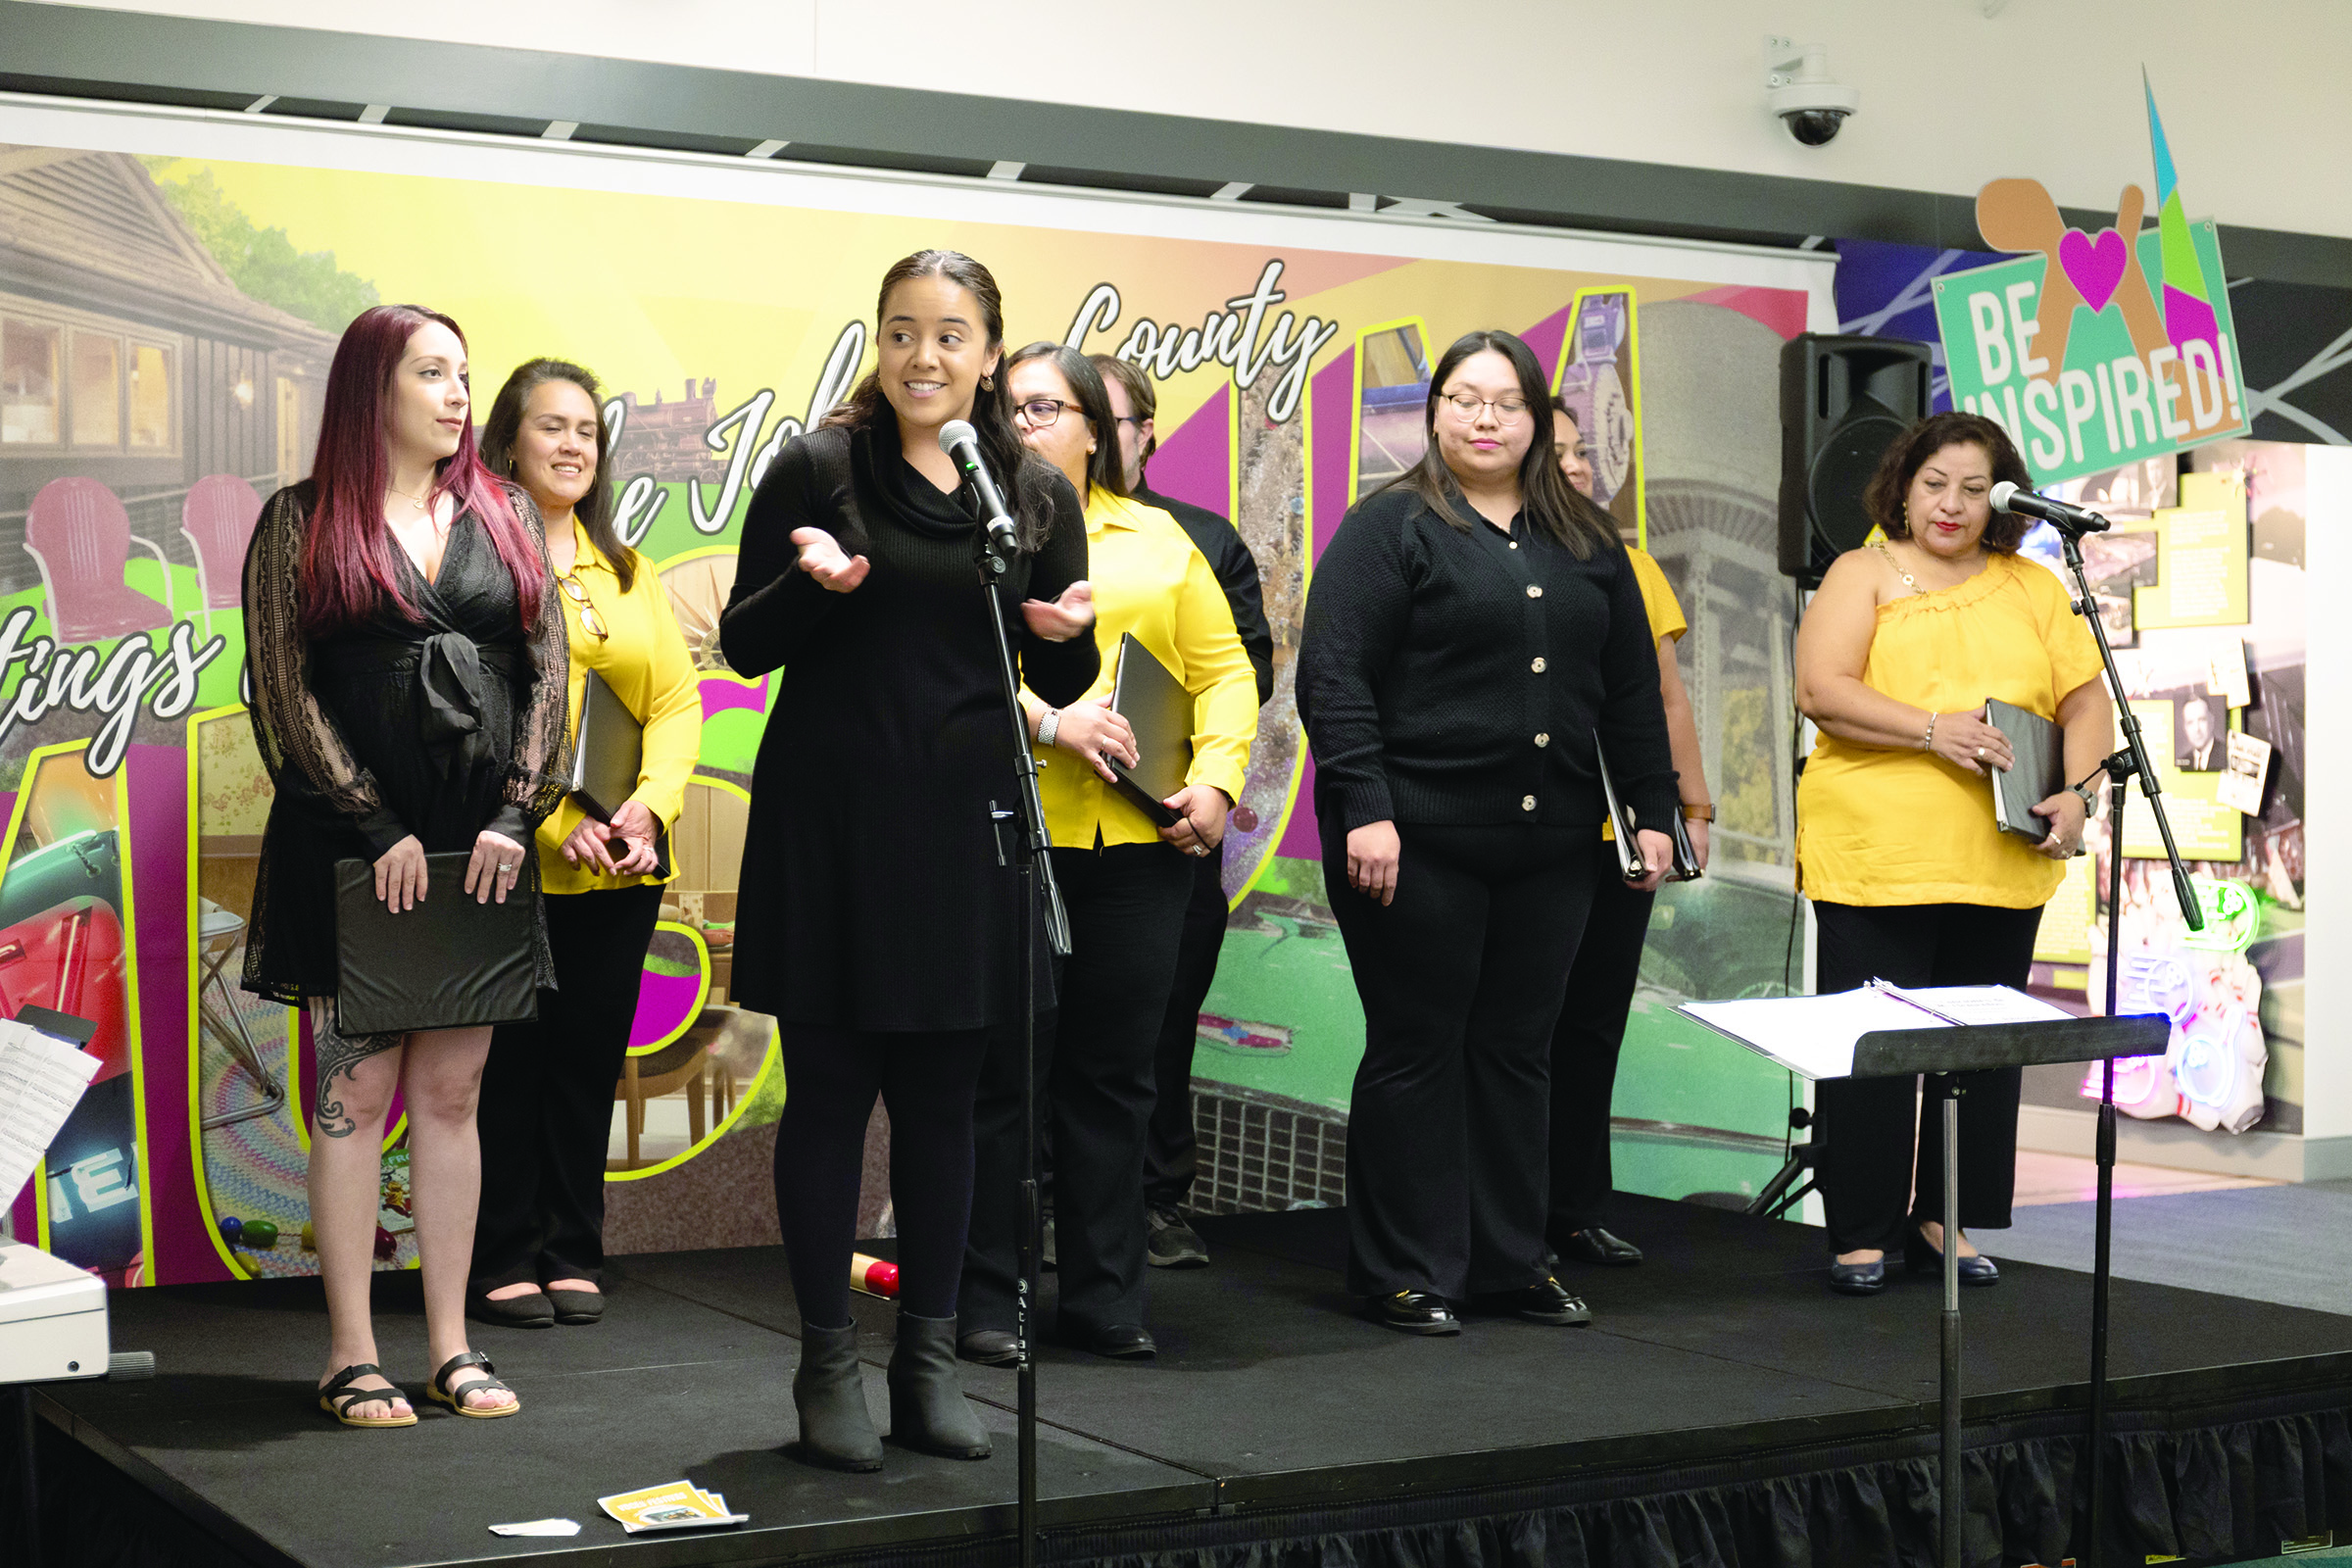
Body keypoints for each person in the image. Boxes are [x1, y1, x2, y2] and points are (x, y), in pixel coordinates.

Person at [720, 252, 1100, 1471]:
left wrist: (1068, 641)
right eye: (900, 331)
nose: (922, 356)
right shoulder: (818, 466)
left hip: (967, 828)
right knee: (833, 1094)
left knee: (946, 1104)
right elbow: (743, 643)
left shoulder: (1028, 491)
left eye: (948, 334)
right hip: (833, 825)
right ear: (876, 344)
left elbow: (1058, 670)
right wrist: (815, 587)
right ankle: (826, 1363)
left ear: (989, 353)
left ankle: (926, 1364)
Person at [1298, 330, 1675, 1337]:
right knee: (1418, 1048)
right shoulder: (1390, 525)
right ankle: (1405, 1270)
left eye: (1506, 402)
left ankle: (1512, 1261)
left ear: (1538, 420)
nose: (1483, 419)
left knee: (1518, 1051)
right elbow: (1333, 676)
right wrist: (1365, 806)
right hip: (1413, 838)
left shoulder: (1588, 539)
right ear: (1434, 413)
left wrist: (1652, 811)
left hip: (1554, 846)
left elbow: (1630, 692)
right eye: (1463, 398)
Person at [241, 304, 569, 1426]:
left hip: (480, 852)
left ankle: (450, 1344)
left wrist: (518, 812)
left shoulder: (506, 512)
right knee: (355, 1092)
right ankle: (349, 1353)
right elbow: (282, 691)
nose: (458, 394)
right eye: (432, 372)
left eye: (463, 373)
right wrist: (373, 825)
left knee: (451, 1091)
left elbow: (547, 672)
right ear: (370, 388)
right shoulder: (299, 521)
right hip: (352, 850)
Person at [959, 345, 1255, 1362]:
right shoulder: (969, 535)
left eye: (1047, 407)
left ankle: (1105, 1297)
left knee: (1116, 1078)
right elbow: (953, 667)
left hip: (1141, 845)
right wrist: (1052, 721)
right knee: (1003, 1078)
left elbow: (1225, 674)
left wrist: (1215, 783)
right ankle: (988, 1300)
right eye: (1010, 407)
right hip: (1011, 836)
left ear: (1096, 428)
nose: (1024, 422)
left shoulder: (1163, 540)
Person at [1792, 410, 2112, 1296]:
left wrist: (2079, 794)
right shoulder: (1860, 572)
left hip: (2002, 856)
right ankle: (1861, 1230)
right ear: (1902, 487)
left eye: (1976, 489)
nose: (1952, 504)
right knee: (1874, 1046)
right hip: (1877, 854)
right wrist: (1935, 731)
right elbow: (1820, 689)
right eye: (1935, 484)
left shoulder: (2034, 585)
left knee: (1981, 1052)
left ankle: (1946, 1219)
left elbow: (2086, 701)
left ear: (2002, 500)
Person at [468, 359, 702, 1328]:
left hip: (624, 865)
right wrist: (561, 824)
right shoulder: (474, 565)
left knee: (587, 1063)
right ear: (508, 441)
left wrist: (651, 807)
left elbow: (676, 701)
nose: (572, 445)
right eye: (551, 426)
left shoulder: (629, 569)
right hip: (515, 862)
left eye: (587, 431)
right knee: (507, 1069)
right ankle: (499, 1255)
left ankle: (572, 1249)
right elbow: (479, 716)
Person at [1091, 352, 1275, 1270]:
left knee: (1160, 1025)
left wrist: (1205, 778)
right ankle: (1050, 1208)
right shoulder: (1018, 532)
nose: (1089, 436)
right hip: (1048, 824)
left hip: (1168, 821)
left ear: (1145, 433)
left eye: (1108, 420)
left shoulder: (1196, 538)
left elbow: (1247, 669)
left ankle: (1158, 1201)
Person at [1544, 397, 1713, 1269]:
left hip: (1617, 824)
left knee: (1594, 1018)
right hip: (1524, 825)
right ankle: (1488, 1212)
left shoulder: (1630, 563)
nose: (1576, 467)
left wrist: (1690, 810)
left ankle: (1573, 1207)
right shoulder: (1476, 553)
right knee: (1510, 1027)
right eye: (1557, 452)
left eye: (1582, 452)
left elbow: (1666, 699)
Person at [2177, 696, 2220, 771]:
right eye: (2190, 723)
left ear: (2211, 720)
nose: (2197, 729)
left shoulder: (2225, 755)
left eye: (2202, 720)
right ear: (2185, 727)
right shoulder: (2182, 763)